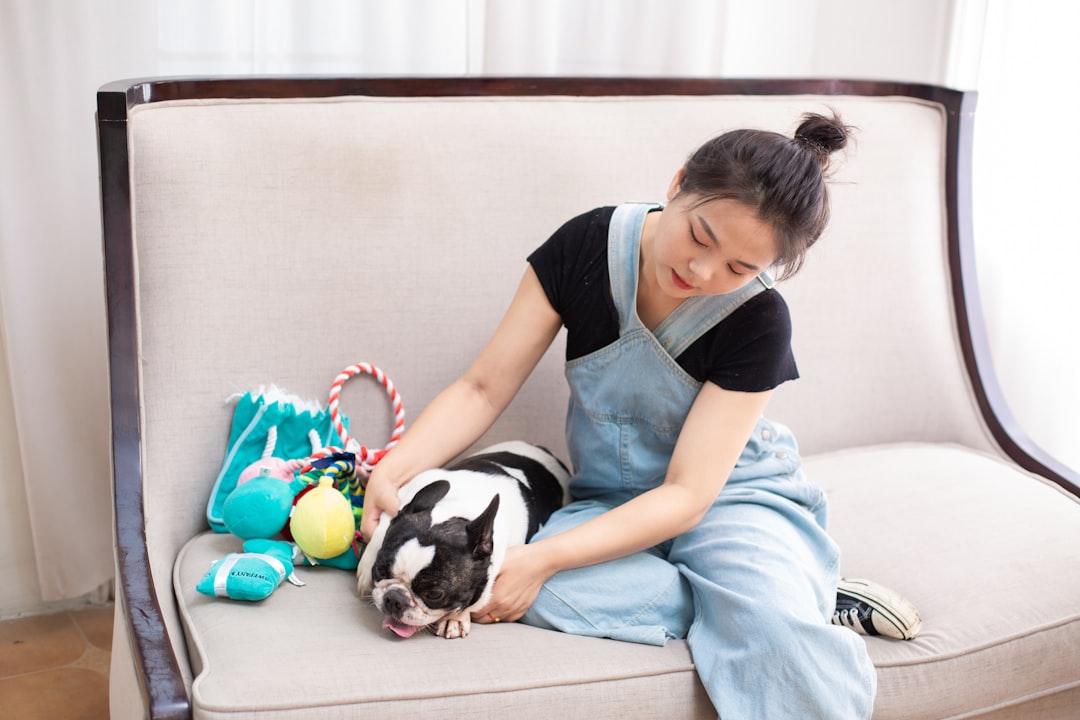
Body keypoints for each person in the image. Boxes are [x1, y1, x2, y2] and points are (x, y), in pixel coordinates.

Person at [360, 112, 877, 718]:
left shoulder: (759, 322)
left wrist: (546, 555)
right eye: (701, 236)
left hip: (730, 502)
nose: (703, 273)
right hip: (609, 503)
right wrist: (393, 472)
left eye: (740, 270)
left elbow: (687, 494)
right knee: (504, 585)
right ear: (678, 182)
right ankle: (773, 598)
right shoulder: (585, 247)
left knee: (778, 644)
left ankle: (775, 600)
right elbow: (481, 388)